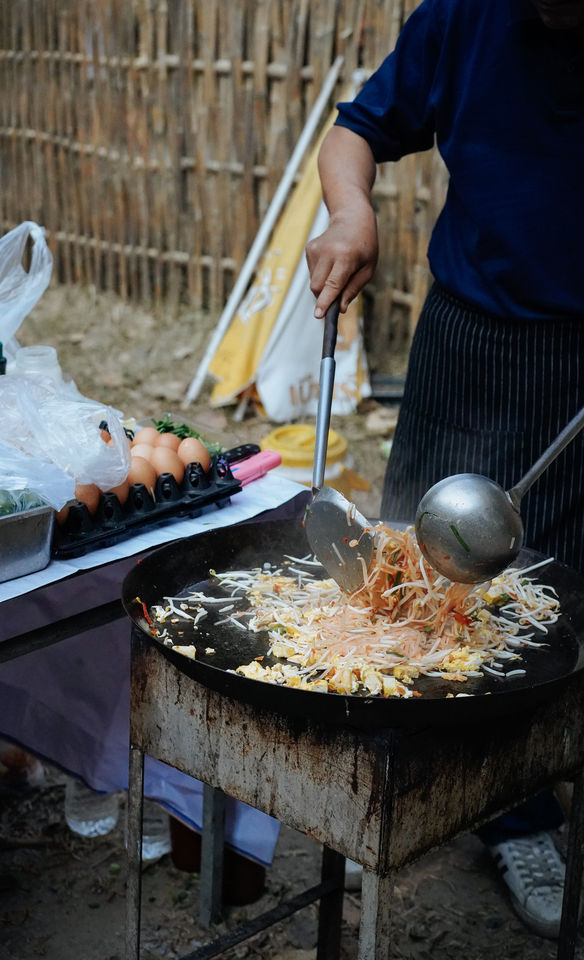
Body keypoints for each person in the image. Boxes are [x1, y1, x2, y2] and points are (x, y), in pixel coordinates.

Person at [306, 0, 584, 940]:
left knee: (562, 599)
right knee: (426, 577)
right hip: (467, 340)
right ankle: (473, 798)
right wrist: (352, 212)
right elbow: (357, 129)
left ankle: (534, 779)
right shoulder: (465, 16)